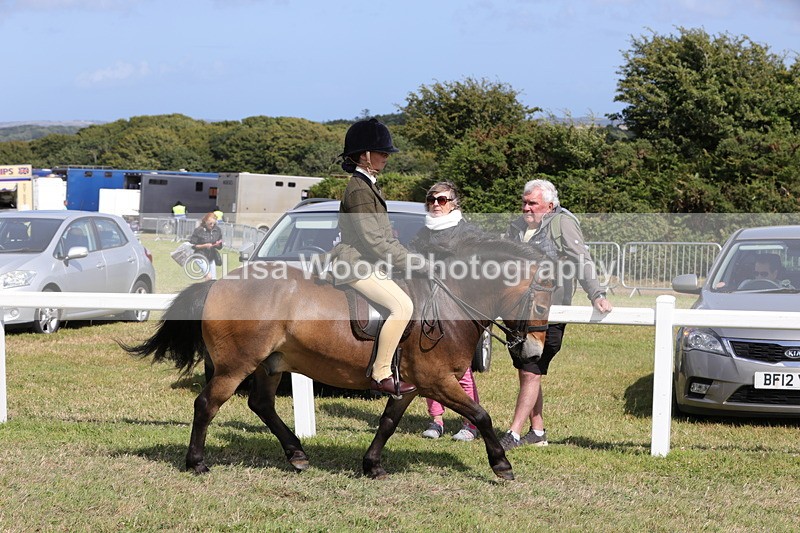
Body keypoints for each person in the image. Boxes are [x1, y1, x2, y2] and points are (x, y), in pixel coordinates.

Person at [500, 179, 613, 450]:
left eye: (533, 204)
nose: (526, 208)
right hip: (517, 311)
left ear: (550, 206)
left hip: (548, 311)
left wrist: (596, 293)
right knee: (526, 370)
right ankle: (537, 432)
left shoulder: (562, 223)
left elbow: (581, 259)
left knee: (531, 370)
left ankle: (513, 434)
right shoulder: (516, 226)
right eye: (524, 202)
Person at [330, 118, 418, 396]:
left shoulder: (369, 185)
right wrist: (415, 263)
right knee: (402, 306)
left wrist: (409, 257)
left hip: (368, 260)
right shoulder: (359, 189)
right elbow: (373, 240)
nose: (386, 157)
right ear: (364, 155)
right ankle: (381, 374)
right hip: (355, 263)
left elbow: (386, 238)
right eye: (381, 152)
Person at [410, 181, 483, 441]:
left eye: (441, 200)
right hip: (427, 306)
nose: (435, 204)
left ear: (454, 203)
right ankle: (436, 420)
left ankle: (471, 423)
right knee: (428, 366)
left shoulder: (469, 233)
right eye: (431, 199)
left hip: (457, 311)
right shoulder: (423, 232)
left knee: (461, 371)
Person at [189, 212, 223, 281]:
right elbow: (193, 246)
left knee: (213, 279)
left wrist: (218, 244)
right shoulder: (199, 230)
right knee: (209, 276)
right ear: (205, 221)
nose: (212, 225)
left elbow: (220, 246)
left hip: (211, 257)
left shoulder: (217, 230)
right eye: (210, 223)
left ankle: (207, 291)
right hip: (200, 256)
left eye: (214, 223)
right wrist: (205, 245)